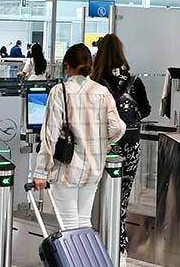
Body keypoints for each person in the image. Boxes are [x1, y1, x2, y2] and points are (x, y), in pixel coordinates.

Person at [31, 44, 126, 231]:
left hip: (67, 169)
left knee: (68, 225)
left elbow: (50, 135)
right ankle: (85, 260)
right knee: (83, 223)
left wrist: (40, 172)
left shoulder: (60, 91)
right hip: (94, 168)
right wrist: (104, 144)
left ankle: (72, 260)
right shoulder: (101, 92)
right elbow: (118, 127)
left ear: (67, 66)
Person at [92, 34, 151, 267]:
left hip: (101, 144)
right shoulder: (133, 81)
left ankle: (98, 242)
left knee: (98, 193)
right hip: (130, 142)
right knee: (123, 196)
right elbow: (145, 109)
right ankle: (120, 246)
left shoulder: (94, 80)